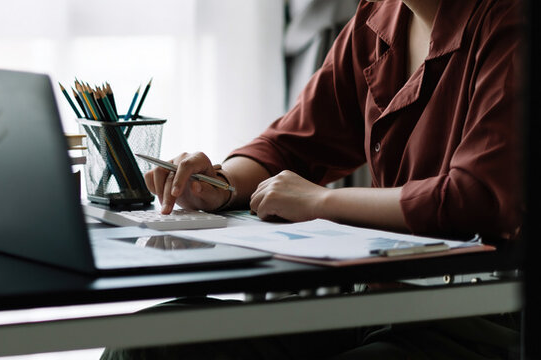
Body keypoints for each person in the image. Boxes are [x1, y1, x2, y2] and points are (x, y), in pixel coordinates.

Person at [103, 0, 522, 358]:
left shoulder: (512, 22)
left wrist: (320, 202)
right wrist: (219, 184)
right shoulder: (379, 17)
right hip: (380, 299)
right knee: (144, 342)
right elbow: (294, 144)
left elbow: (478, 195)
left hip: (484, 317)